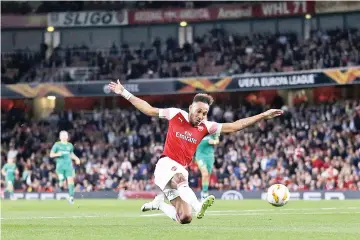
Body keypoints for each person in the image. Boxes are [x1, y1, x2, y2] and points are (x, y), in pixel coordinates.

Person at [108, 80, 283, 224]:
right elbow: (149, 109)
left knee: (184, 218)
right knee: (180, 180)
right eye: (198, 111)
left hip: (181, 168)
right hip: (166, 164)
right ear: (191, 107)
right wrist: (124, 92)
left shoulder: (206, 127)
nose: (201, 115)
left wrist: (263, 115)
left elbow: (235, 126)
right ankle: (199, 206)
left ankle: (159, 205)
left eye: (205, 113)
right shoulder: (176, 114)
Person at [50, 130, 80, 204]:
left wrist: (76, 158)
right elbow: (51, 155)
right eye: (62, 135)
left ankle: (71, 197)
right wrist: (57, 154)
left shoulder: (70, 145)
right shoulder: (57, 144)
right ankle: (61, 182)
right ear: (60, 137)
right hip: (60, 166)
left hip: (68, 166)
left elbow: (71, 154)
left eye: (65, 135)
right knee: (62, 180)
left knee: (70, 180)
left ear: (67, 137)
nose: (64, 137)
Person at [195, 127, 219, 199]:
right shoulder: (198, 130)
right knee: (205, 173)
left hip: (210, 156)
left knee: (207, 175)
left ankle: (205, 192)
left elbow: (217, 141)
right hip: (200, 155)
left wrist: (213, 142)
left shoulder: (212, 132)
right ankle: (204, 193)